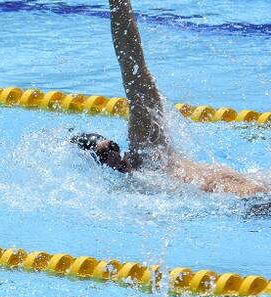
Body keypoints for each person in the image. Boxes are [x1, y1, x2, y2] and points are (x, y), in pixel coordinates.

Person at [72, 0, 269, 214]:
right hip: (252, 202)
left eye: (112, 147)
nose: (115, 157)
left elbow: (132, 65)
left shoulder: (149, 149)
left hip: (256, 192)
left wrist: (119, 3)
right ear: (101, 168)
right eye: (105, 155)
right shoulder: (136, 187)